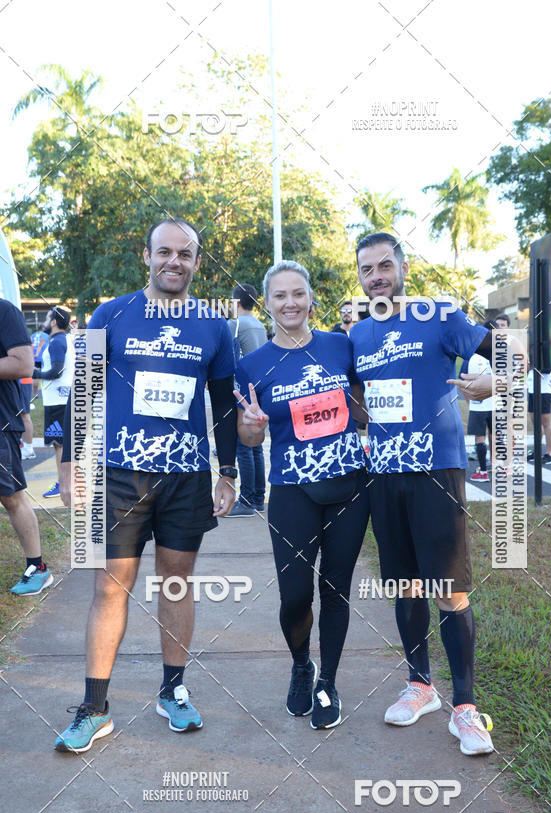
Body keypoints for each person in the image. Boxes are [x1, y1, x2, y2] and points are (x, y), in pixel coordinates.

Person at [54, 217, 238, 753]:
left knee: (176, 581)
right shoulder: (111, 314)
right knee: (109, 585)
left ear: (197, 262)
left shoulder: (214, 325)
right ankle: (94, 707)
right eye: (165, 252)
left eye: (185, 253)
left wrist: (227, 471)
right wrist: (67, 463)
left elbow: (224, 403)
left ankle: (173, 690)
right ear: (148, 256)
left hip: (185, 477)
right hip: (116, 473)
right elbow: (82, 390)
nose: (174, 261)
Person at [350, 232, 495, 756]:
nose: (377, 276)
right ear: (361, 277)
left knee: (448, 588)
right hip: (384, 475)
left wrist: (494, 384)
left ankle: (465, 707)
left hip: (437, 470)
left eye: (385, 265)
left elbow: (506, 351)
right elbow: (360, 401)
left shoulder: (440, 316)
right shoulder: (358, 334)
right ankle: (420, 686)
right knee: (407, 586)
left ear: (402, 266)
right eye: (367, 269)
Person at [234, 260, 370, 730]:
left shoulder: (339, 345)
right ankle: (300, 666)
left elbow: (361, 406)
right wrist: (251, 429)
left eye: (298, 294)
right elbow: (248, 438)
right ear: (268, 303)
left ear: (311, 299)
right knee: (295, 596)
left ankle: (328, 683)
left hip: (350, 486)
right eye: (280, 296)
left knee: (335, 589)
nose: (290, 303)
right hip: (291, 489)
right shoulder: (251, 365)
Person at [0, 298, 53, 595]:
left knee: (11, 497)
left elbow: (23, 363)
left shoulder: (4, 311)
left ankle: (38, 568)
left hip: (1, 422)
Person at [227, 283, 267, 517]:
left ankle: (247, 500)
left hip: (241, 389)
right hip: (259, 389)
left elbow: (230, 357)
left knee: (243, 447)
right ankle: (259, 497)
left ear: (236, 302)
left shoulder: (235, 324)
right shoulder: (260, 325)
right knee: (256, 445)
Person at [33, 306, 74, 498]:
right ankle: (67, 482)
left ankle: (63, 484)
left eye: (47, 318)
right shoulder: (63, 340)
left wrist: (32, 372)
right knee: (63, 444)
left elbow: (57, 371)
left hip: (57, 401)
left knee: (60, 444)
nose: (45, 322)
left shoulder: (57, 342)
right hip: (61, 399)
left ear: (54, 322)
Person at [467, 321, 497, 482]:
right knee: (495, 435)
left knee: (480, 438)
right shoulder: (495, 356)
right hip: (493, 404)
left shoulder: (471, 358)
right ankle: (499, 467)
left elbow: (465, 381)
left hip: (478, 405)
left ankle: (483, 472)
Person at [526, 366, 551, 464]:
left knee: (546, 422)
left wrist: (530, 365)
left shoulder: (547, 350)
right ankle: (536, 451)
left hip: (544, 390)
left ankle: (549, 454)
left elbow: (547, 369)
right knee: (535, 422)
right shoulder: (530, 351)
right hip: (532, 389)